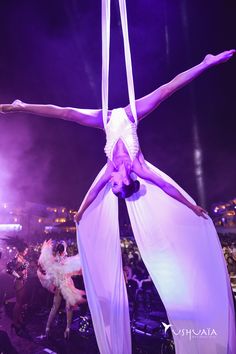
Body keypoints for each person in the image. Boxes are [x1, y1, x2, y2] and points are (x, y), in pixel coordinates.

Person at [1, 49, 235, 353]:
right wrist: (192, 206)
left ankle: (22, 107)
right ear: (125, 183)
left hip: (109, 119)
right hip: (129, 115)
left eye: (109, 182)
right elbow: (167, 185)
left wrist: (82, 212)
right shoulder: (138, 168)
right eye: (114, 184)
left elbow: (90, 195)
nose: (110, 180)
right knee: (166, 90)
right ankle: (205, 63)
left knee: (68, 113)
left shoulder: (110, 168)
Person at [37, 239, 86, 339]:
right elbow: (76, 267)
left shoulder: (53, 260)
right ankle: (67, 329)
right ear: (64, 250)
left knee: (55, 307)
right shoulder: (66, 261)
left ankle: (47, 328)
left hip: (59, 285)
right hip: (66, 284)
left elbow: (46, 264)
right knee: (69, 307)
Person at [5, 237, 29, 336]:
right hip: (19, 282)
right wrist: (18, 275)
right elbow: (9, 269)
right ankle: (15, 323)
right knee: (18, 303)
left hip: (22, 282)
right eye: (26, 250)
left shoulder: (20, 258)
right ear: (22, 250)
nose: (27, 252)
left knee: (20, 303)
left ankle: (18, 319)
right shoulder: (17, 258)